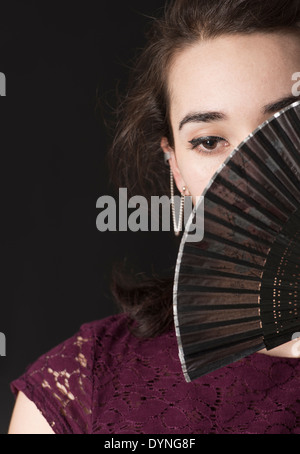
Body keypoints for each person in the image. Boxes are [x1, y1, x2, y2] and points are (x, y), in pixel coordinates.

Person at [8, 0, 300, 434]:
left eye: (284, 123)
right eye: (209, 141)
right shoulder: (81, 385)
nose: (249, 170)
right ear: (177, 167)